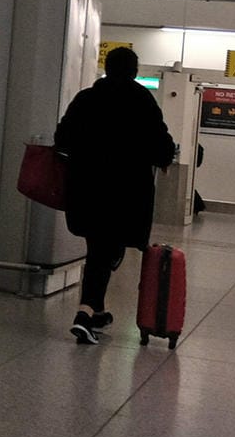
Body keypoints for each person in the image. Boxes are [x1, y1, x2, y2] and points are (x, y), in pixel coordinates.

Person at [53, 46, 176, 345]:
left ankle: (96, 311)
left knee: (100, 248)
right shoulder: (141, 101)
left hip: (86, 188)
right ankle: (84, 314)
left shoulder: (86, 98)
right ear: (134, 71)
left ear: (106, 68)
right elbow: (160, 143)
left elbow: (62, 138)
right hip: (125, 192)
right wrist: (163, 157)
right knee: (105, 250)